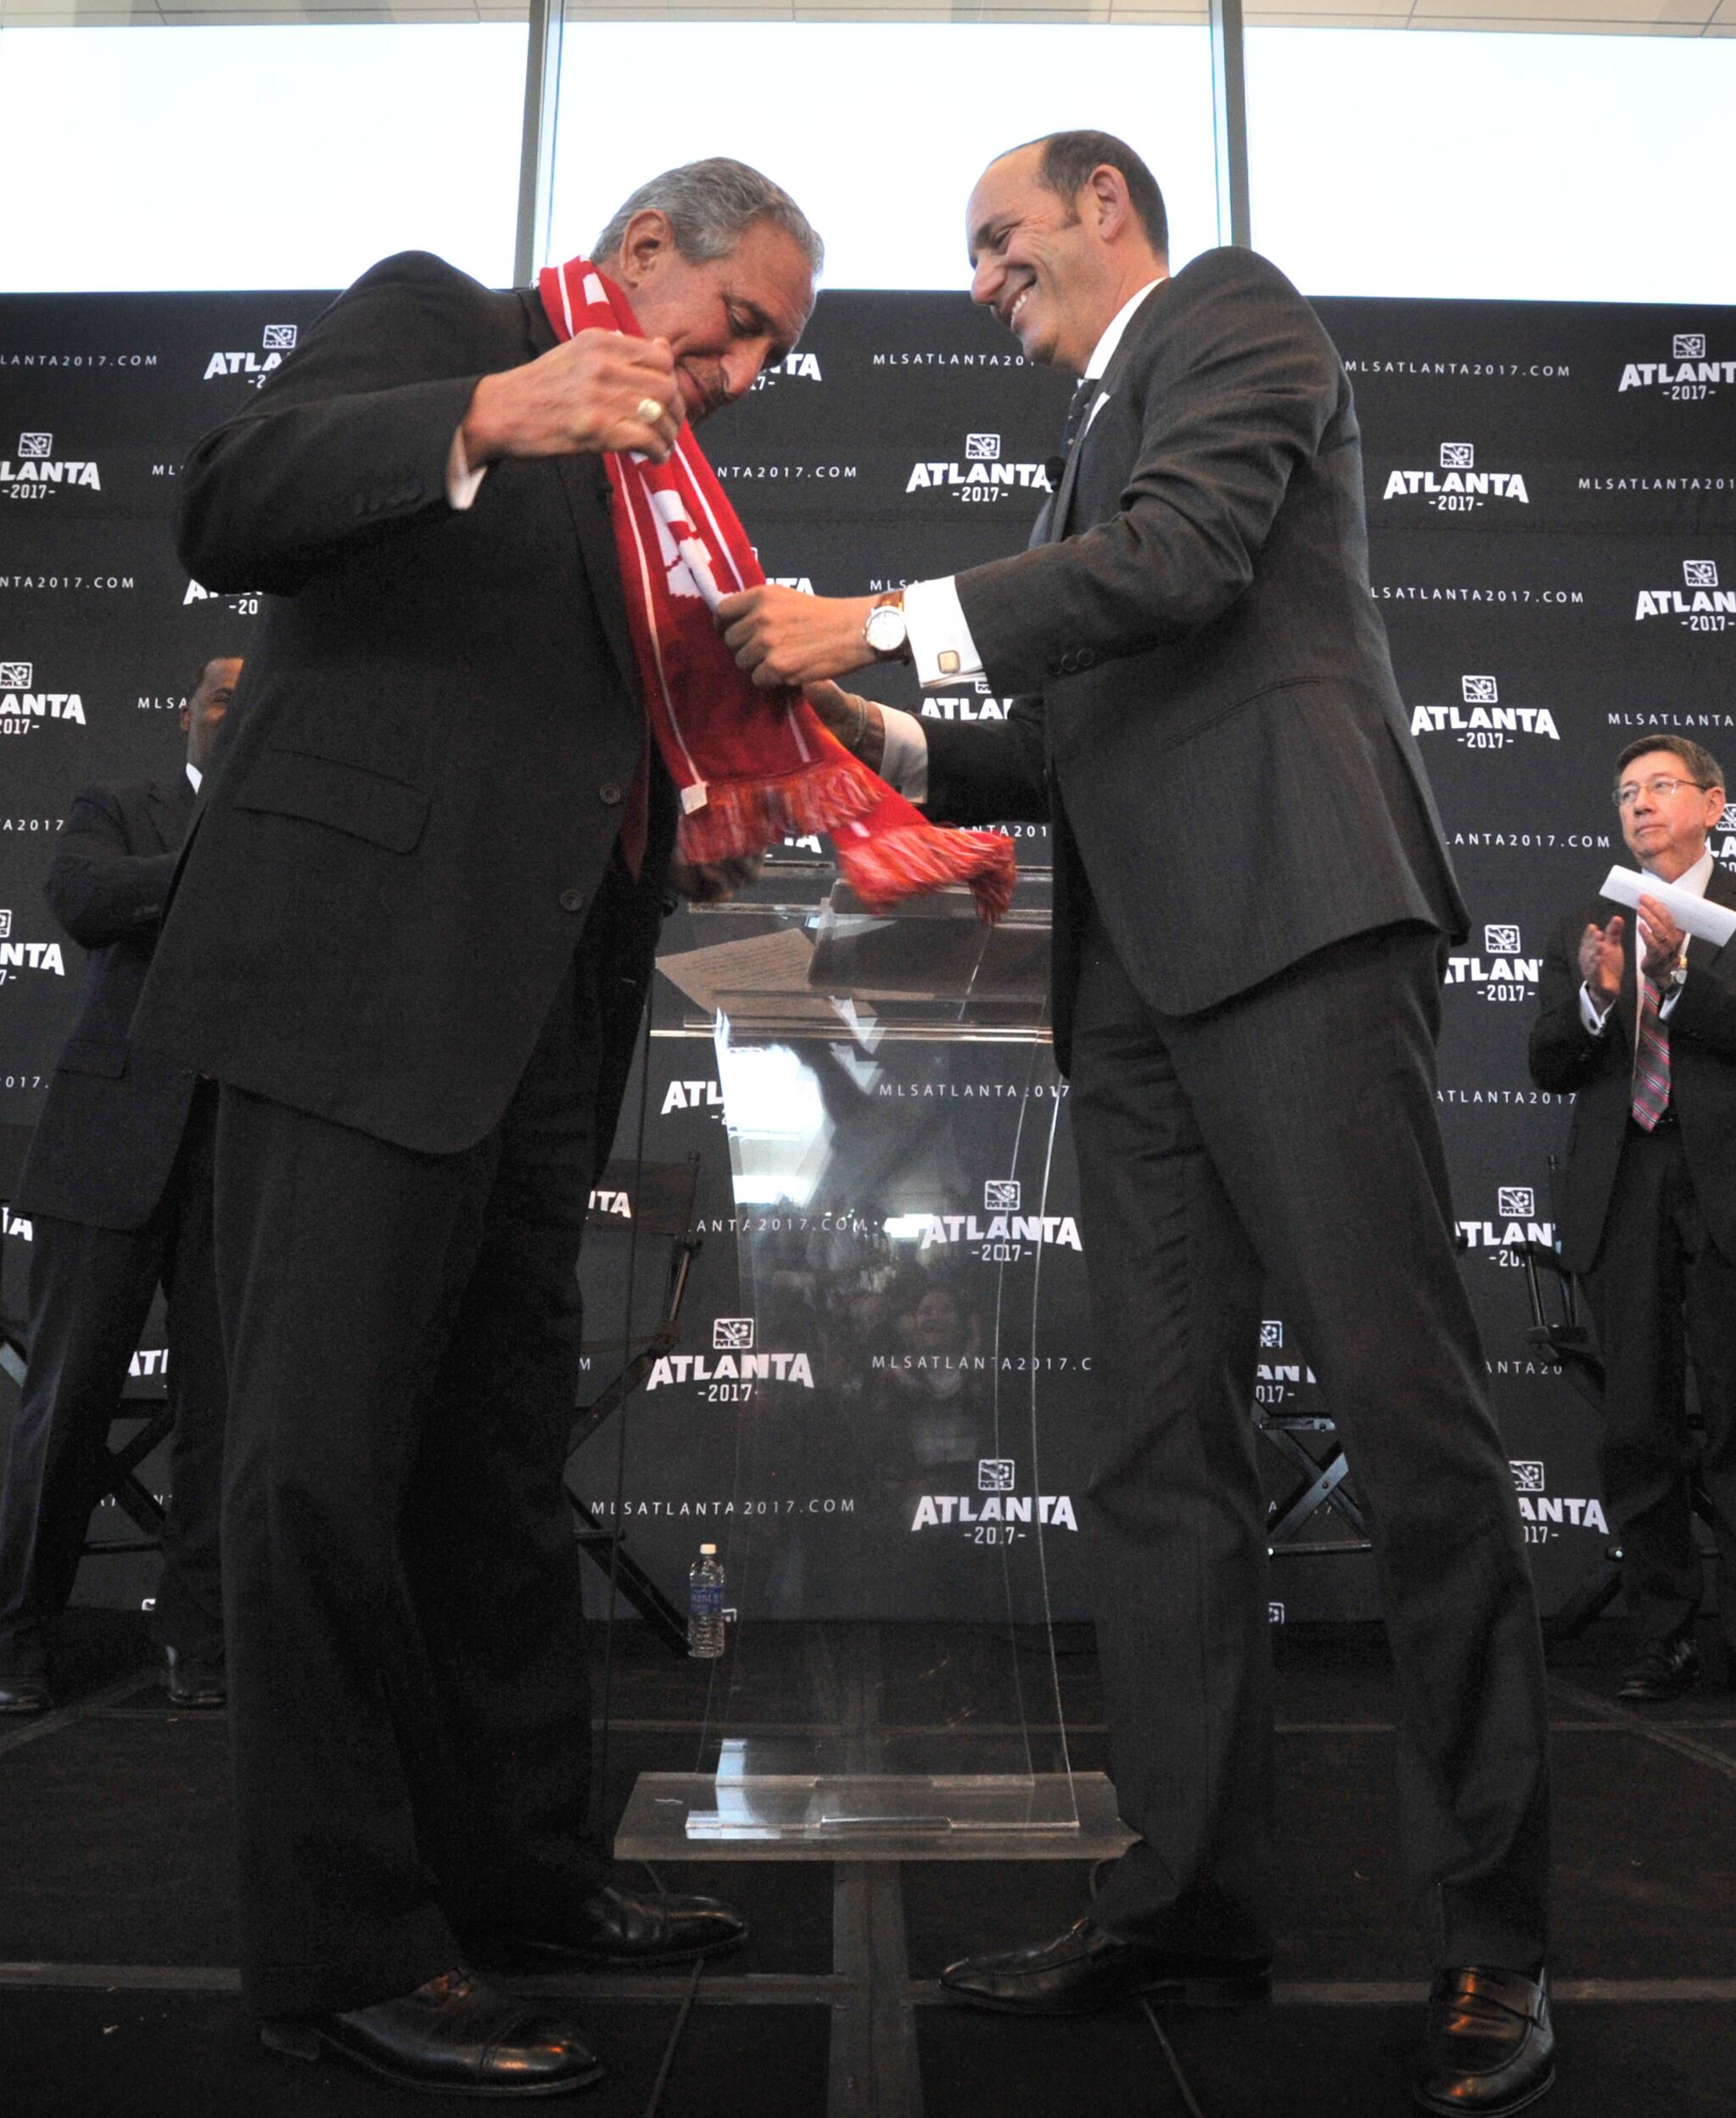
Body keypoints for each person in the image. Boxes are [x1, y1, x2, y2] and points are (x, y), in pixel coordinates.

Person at [720, 131, 1554, 2117]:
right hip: (1137, 997)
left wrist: (870, 618)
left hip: (1297, 926)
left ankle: (1494, 1941)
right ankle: (1185, 1904)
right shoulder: (1084, 448)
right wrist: (855, 728)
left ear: (1108, 202)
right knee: (1161, 1467)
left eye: (998, 240)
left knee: (1410, 1433)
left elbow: (1178, 567)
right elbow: (1051, 733)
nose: (982, 283)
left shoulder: (1232, 317)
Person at [132, 159, 815, 2098]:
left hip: (536, 1022)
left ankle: (521, 1877)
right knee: (316, 1472)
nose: (746, 373)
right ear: (641, 253)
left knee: (498, 1472)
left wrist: (688, 812)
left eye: (774, 353)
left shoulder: (660, 484)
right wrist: (484, 413)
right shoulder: (447, 321)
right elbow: (224, 499)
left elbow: (567, 735)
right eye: (739, 324)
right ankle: (341, 1947)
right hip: (356, 986)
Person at [1526, 735, 1736, 1716]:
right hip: (1623, 1185)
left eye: (1661, 786)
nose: (1640, 804)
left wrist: (1685, 980)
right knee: (1637, 1424)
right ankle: (1660, 1640)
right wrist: (1595, 997)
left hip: (1735, 1186)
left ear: (1713, 803)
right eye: (1626, 791)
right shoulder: (1590, 924)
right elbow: (1548, 1063)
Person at [0, 655, 243, 1715]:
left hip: (243, 1155)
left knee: (221, 1417)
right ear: (186, 713)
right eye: (222, 696)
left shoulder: (305, 837)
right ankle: (16, 1638)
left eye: (257, 700)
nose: (237, 712)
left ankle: (198, 1643)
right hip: (106, 1146)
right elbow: (84, 899)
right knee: (66, 1401)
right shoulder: (119, 806)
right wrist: (226, 861)